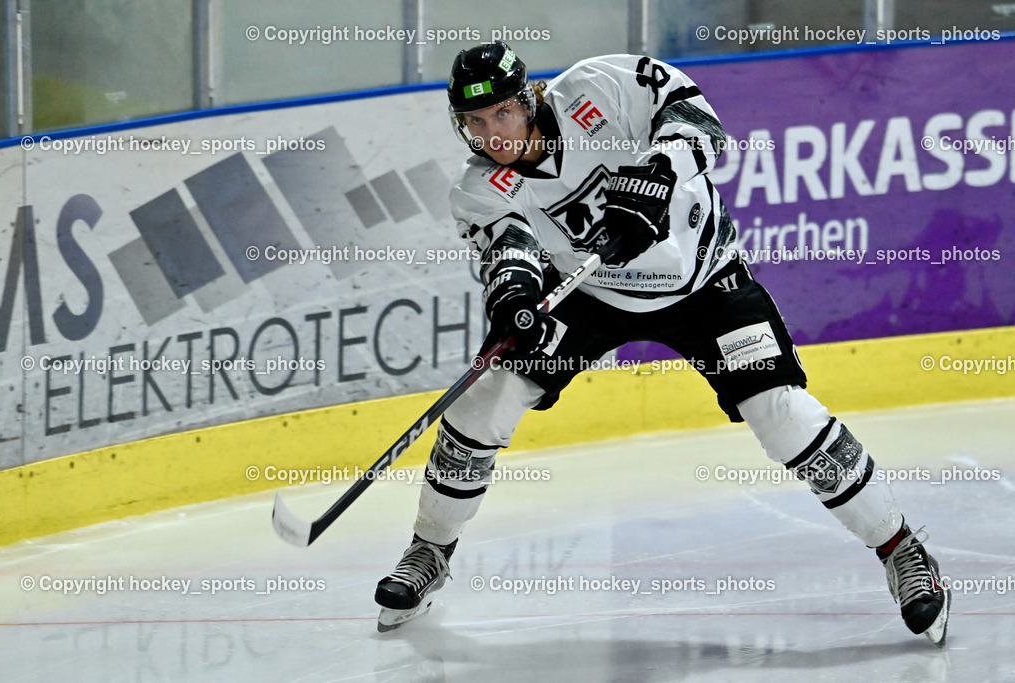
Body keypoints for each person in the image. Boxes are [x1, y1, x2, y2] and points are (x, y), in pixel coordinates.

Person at [373, 41, 951, 645]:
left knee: (782, 414)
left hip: (706, 279)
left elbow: (700, 123)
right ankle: (430, 551)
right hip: (592, 293)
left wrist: (658, 172)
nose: (494, 133)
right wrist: (514, 298)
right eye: (476, 122)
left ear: (529, 99)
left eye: (502, 114)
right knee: (483, 400)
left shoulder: (600, 85)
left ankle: (901, 550)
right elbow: (508, 251)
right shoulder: (479, 186)